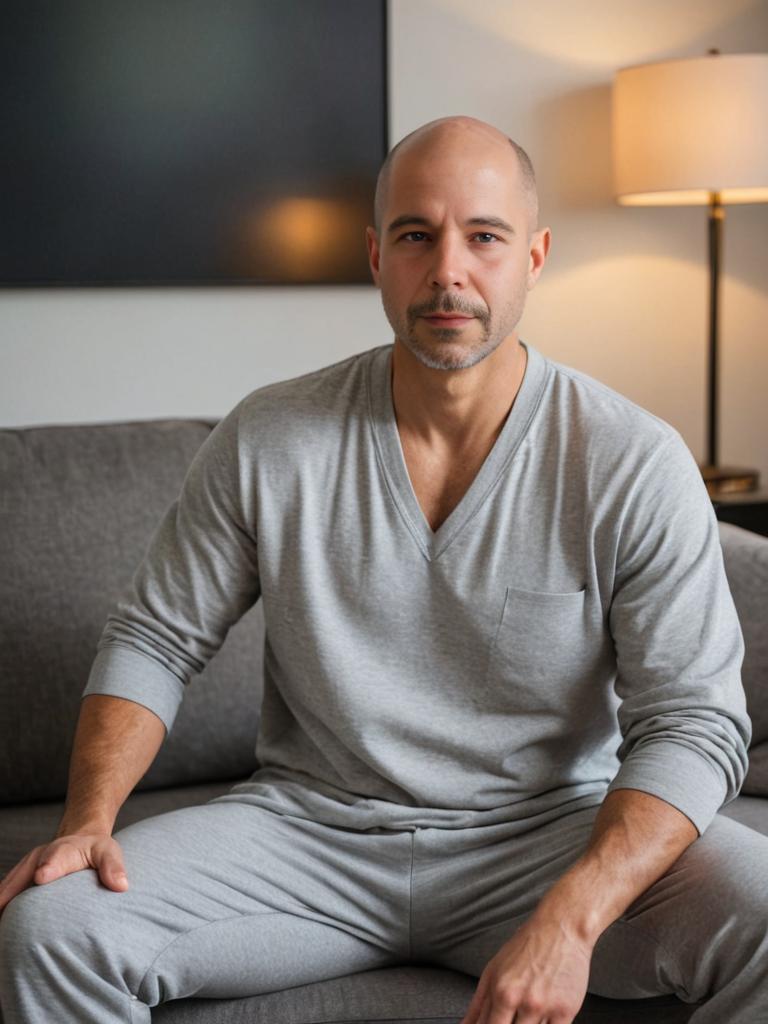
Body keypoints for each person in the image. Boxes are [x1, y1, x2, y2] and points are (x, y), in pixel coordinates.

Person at [0, 115, 765, 1024]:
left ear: (535, 255)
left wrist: (571, 916)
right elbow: (155, 638)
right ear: (375, 254)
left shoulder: (630, 459)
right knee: (50, 929)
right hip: (308, 836)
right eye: (416, 235)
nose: (449, 269)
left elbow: (694, 723)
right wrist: (88, 822)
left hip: (548, 839)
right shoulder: (273, 435)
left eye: (484, 236)